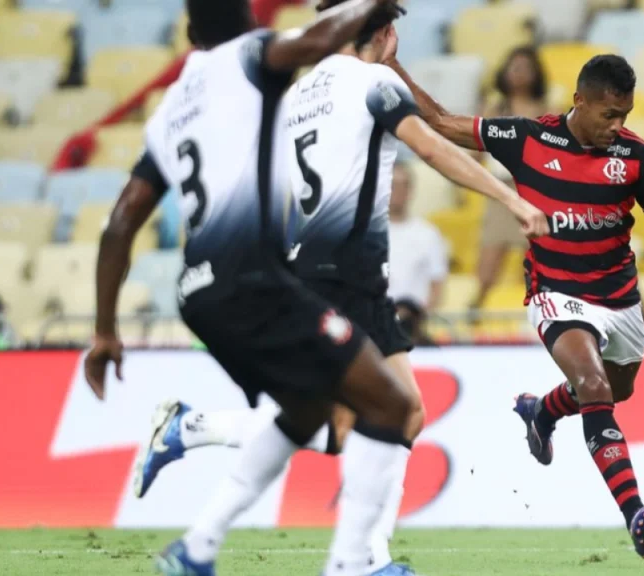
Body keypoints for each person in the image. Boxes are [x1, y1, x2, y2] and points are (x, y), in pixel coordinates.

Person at [127, 3, 547, 573]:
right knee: (352, 421)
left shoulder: (297, 94)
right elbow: (432, 147)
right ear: (385, 31)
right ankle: (201, 439)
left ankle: (368, 555)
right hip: (345, 271)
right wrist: (511, 199)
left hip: (321, 267)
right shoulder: (371, 81)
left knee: (401, 413)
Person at [82, 2, 423, 575]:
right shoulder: (248, 58)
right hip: (255, 280)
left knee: (309, 411)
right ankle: (351, 567)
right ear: (246, 22)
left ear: (190, 33)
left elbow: (119, 224)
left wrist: (104, 330)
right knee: (393, 404)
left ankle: (197, 548)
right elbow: (317, 41)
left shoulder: (169, 112)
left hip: (197, 293)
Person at [385, 51, 644, 557]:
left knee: (618, 388)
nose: (618, 126)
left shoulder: (636, 158)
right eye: (609, 115)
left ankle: (542, 412)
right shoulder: (528, 139)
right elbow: (440, 121)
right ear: (579, 101)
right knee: (593, 384)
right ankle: (635, 511)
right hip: (556, 293)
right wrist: (394, 64)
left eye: (626, 115)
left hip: (619, 298)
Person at [473, 46, 551, 312]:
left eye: (525, 67)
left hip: (533, 192)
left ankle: (537, 319)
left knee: (532, 267)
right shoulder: (492, 109)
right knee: (487, 267)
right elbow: (475, 153)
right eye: (514, 67)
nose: (518, 73)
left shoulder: (546, 111)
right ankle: (472, 317)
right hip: (500, 192)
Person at [387, 162, 449, 315]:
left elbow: (437, 283)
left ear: (411, 190)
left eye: (404, 185)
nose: (399, 192)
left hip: (413, 325)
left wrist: (419, 318)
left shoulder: (428, 234)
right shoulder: (367, 233)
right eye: (393, 185)